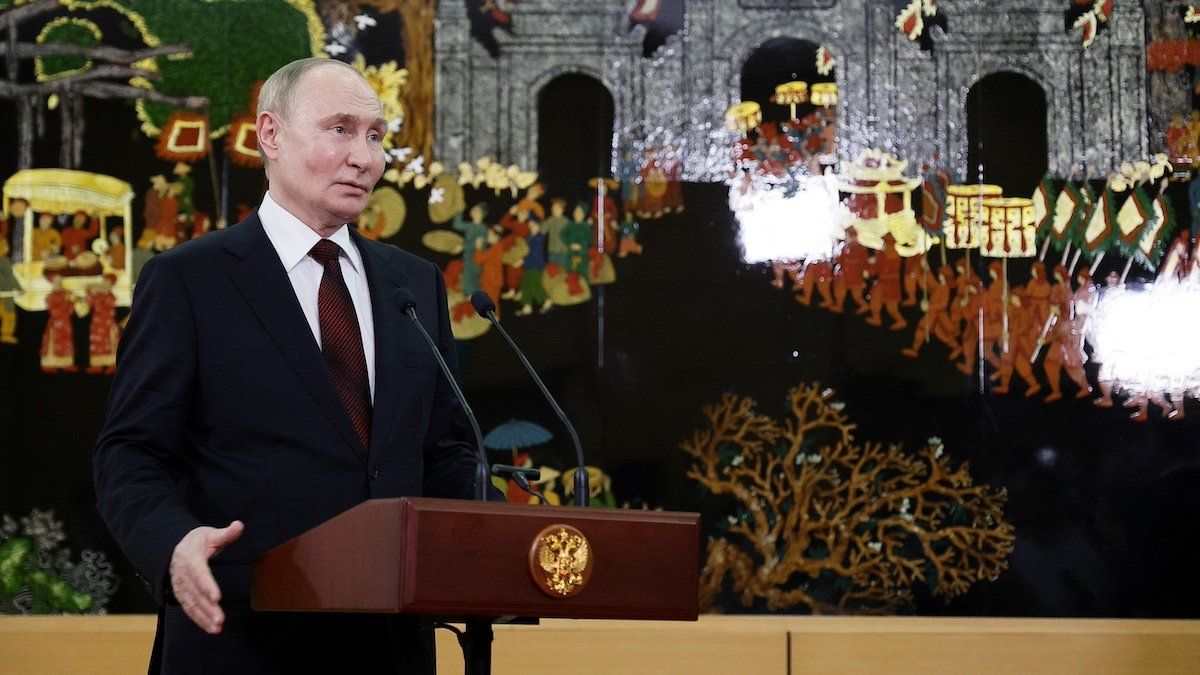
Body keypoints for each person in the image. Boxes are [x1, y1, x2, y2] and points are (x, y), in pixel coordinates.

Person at [93, 58, 483, 673]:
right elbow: (131, 451)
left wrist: (494, 537)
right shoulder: (189, 280)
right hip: (243, 634)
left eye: (377, 136)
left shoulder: (414, 284)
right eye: (341, 129)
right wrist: (172, 543)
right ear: (269, 134)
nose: (365, 157)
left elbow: (445, 450)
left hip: (392, 645)